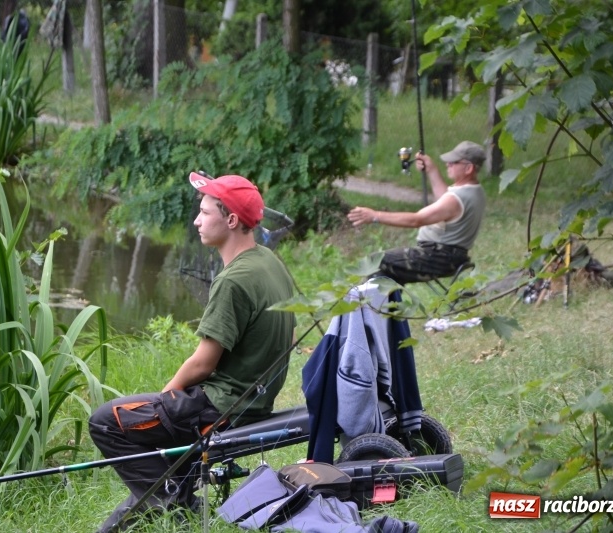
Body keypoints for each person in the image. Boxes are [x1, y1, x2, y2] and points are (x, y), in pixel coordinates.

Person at [88, 173, 297, 533]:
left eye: (204, 213)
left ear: (231, 220)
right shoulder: (268, 261)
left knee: (106, 421)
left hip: (221, 408)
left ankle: (175, 506)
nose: (197, 221)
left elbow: (203, 363)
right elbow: (291, 332)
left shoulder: (233, 280)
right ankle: (172, 494)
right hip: (252, 401)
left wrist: (165, 395)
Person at [347, 140, 487, 284]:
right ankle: (386, 305)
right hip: (452, 258)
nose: (448, 164)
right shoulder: (475, 191)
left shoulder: (458, 198)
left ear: (469, 168)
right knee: (388, 271)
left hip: (437, 258)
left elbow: (416, 220)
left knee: (374, 262)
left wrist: (375, 216)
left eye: (454, 162)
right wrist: (431, 170)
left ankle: (373, 306)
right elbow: (445, 202)